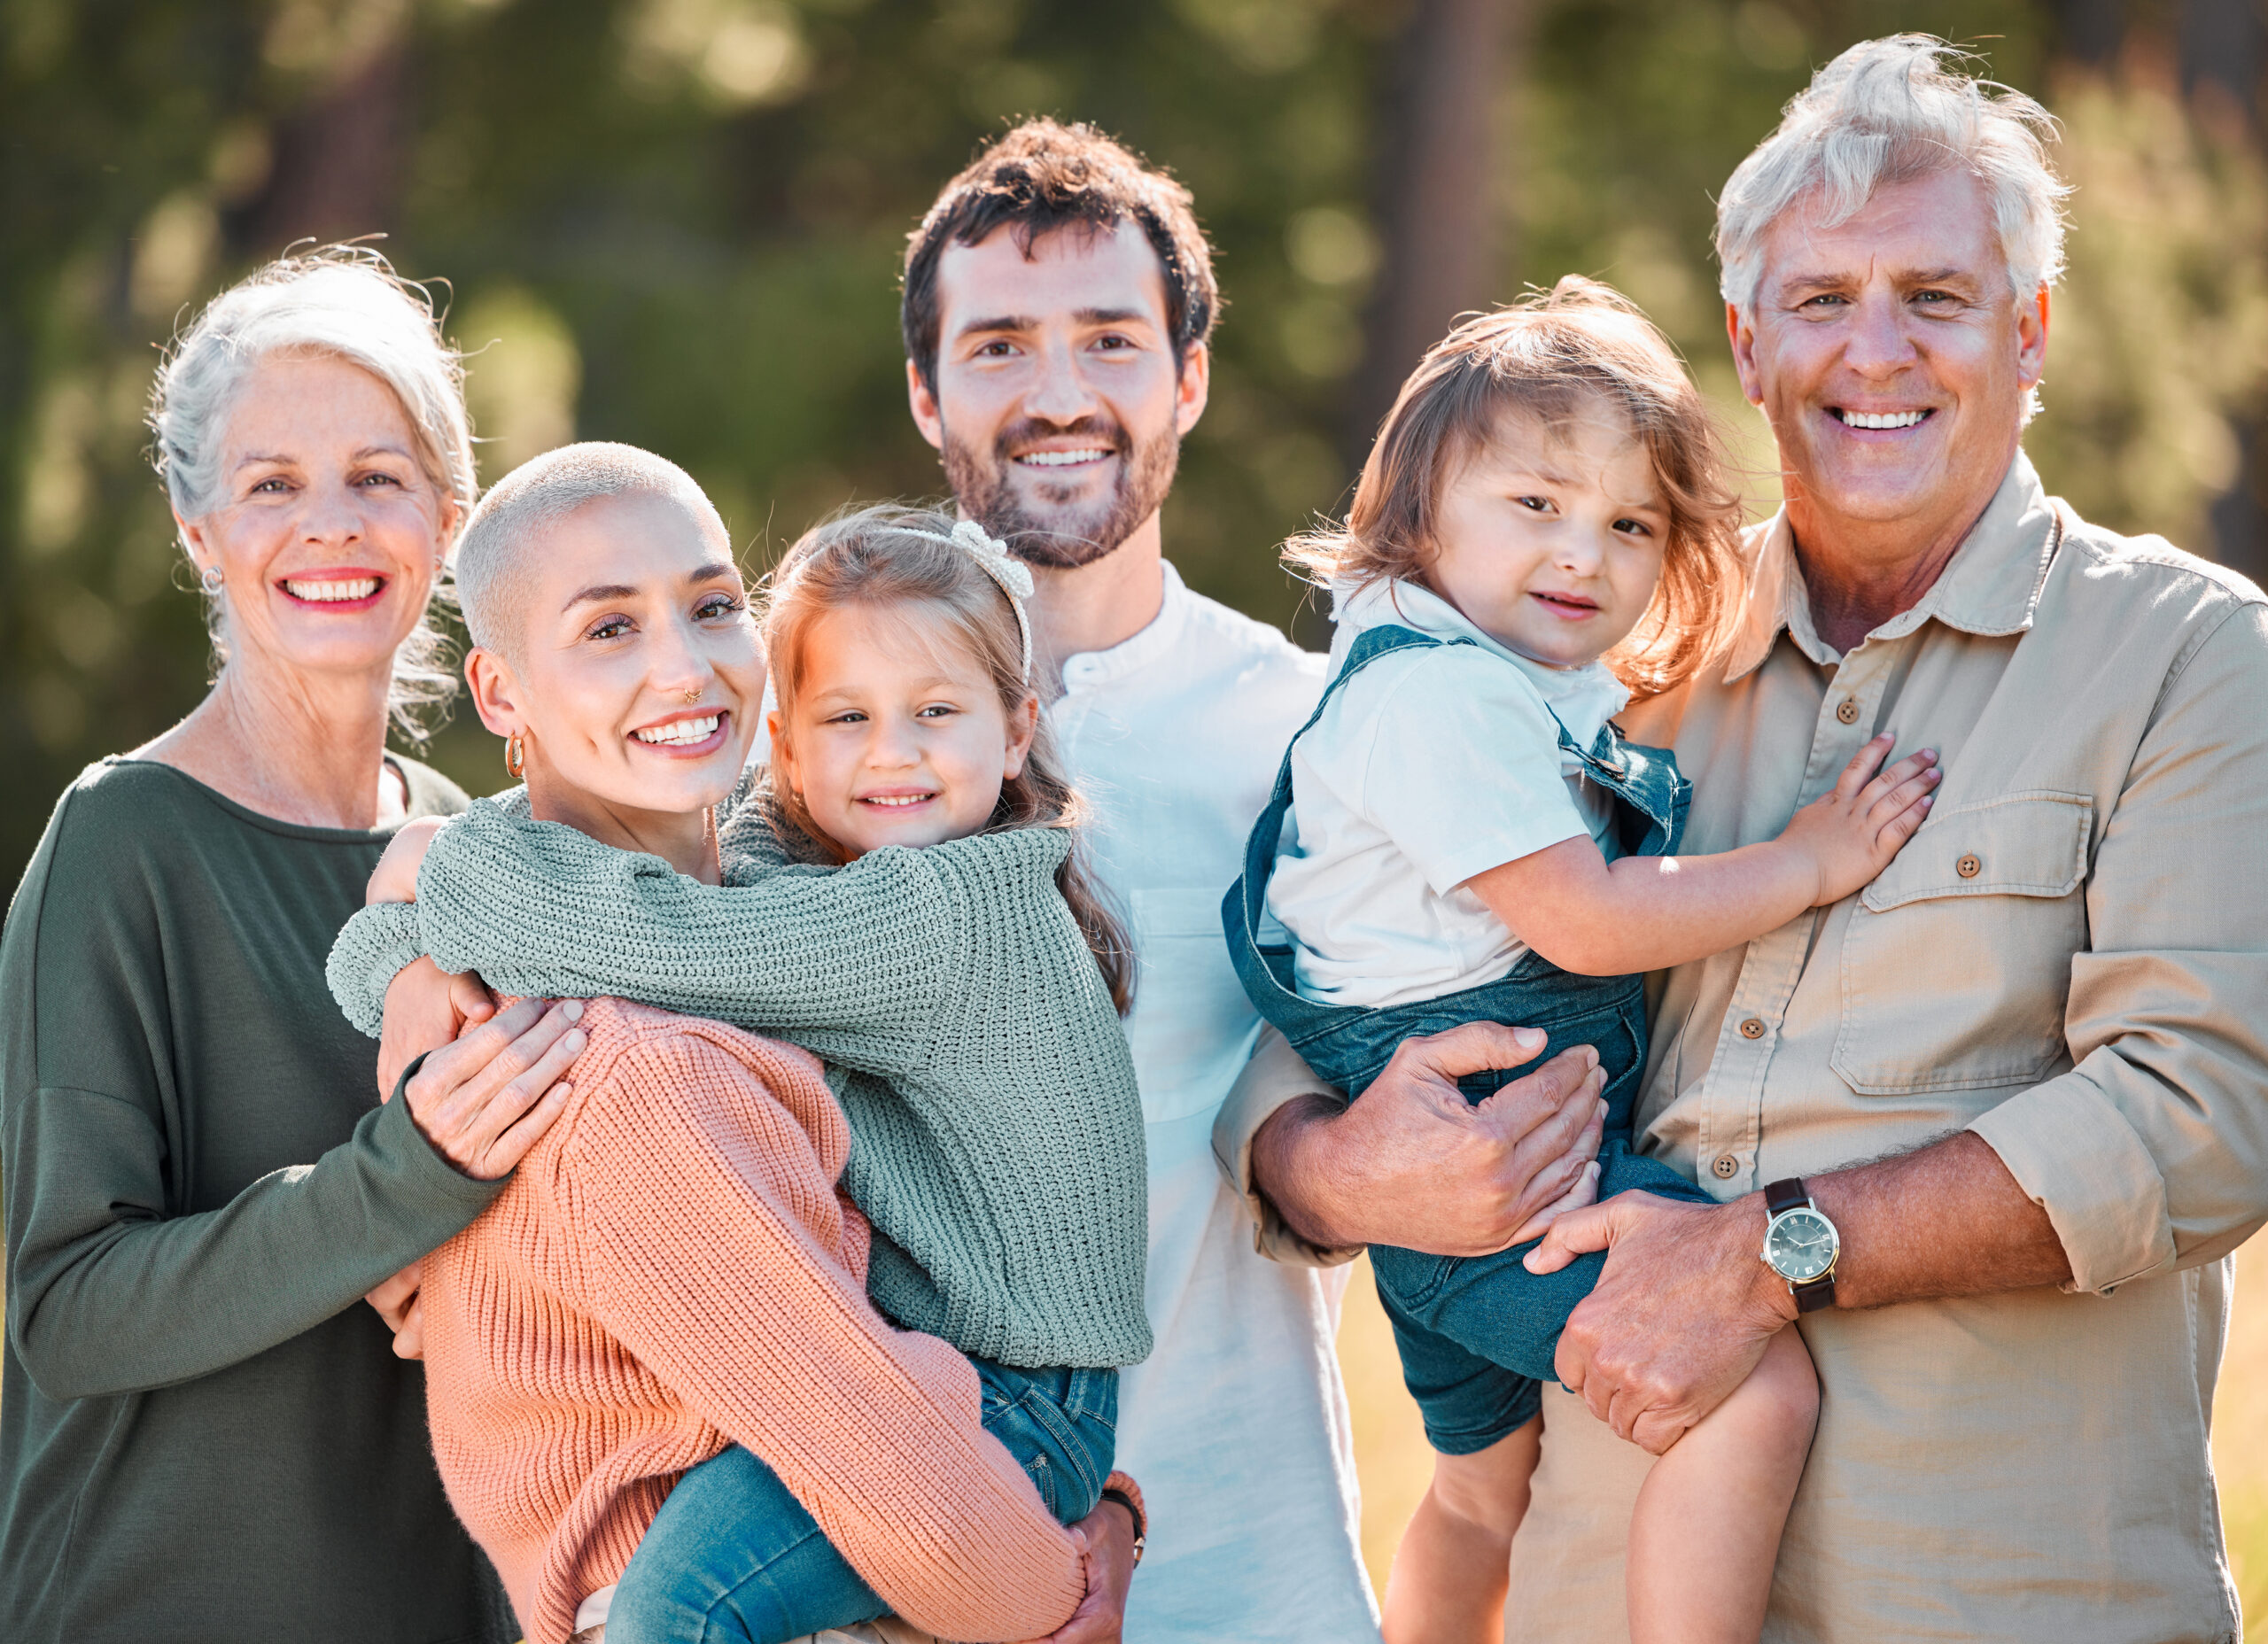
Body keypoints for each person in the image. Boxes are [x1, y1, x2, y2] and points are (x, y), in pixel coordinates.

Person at [1227, 35, 2268, 1643]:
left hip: (2011, 1594)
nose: (1876, 351)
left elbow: (2207, 1115)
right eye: (1820, 300)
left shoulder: (2191, 655)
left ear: (2031, 329)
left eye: (1935, 295)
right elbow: (1352, 951)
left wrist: (1775, 1252)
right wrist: (1324, 1158)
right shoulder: (1599, 664)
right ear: (1747, 340)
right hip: (1595, 1573)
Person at [896, 120, 1612, 1642]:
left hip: (1244, 1564)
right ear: (925, 389)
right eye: (1000, 345)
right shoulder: (811, 730)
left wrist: (1332, 1161)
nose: (1061, 392)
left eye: (1110, 339)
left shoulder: (1329, 730)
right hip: (891, 1570)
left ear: (1189, 379)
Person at [329, 455, 1151, 1644]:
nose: (893, 755)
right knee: (682, 1601)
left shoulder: (925, 907)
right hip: (943, 1423)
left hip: (1020, 1398)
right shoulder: (731, 942)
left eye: (714, 605)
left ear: (1019, 729)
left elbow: (668, 930)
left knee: (690, 1603)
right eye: (610, 625)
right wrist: (397, 960)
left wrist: (430, 883)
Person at [1231, 279, 1946, 1644]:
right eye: (1538, 505)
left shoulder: (1473, 675)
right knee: (1755, 1389)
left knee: (1482, 1499)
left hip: (1465, 1162)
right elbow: (1586, 922)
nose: (1585, 554)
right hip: (1497, 1158)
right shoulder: (1439, 698)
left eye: (1630, 526)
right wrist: (1809, 861)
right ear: (1422, 511)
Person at [0, 248, 586, 1642]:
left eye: (377, 478)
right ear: (200, 529)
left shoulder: (488, 857)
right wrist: (404, 1183)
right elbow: (71, 1314)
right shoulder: (121, 843)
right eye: (273, 484)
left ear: (443, 520)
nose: (331, 526)